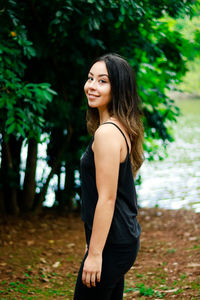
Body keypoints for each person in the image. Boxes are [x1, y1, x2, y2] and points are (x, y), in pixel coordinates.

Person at [74, 53, 144, 300]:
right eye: (90, 78)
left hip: (115, 242)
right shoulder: (119, 126)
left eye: (102, 81)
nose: (91, 86)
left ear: (118, 88)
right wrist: (93, 243)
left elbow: (107, 198)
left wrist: (95, 254)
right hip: (119, 238)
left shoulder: (107, 133)